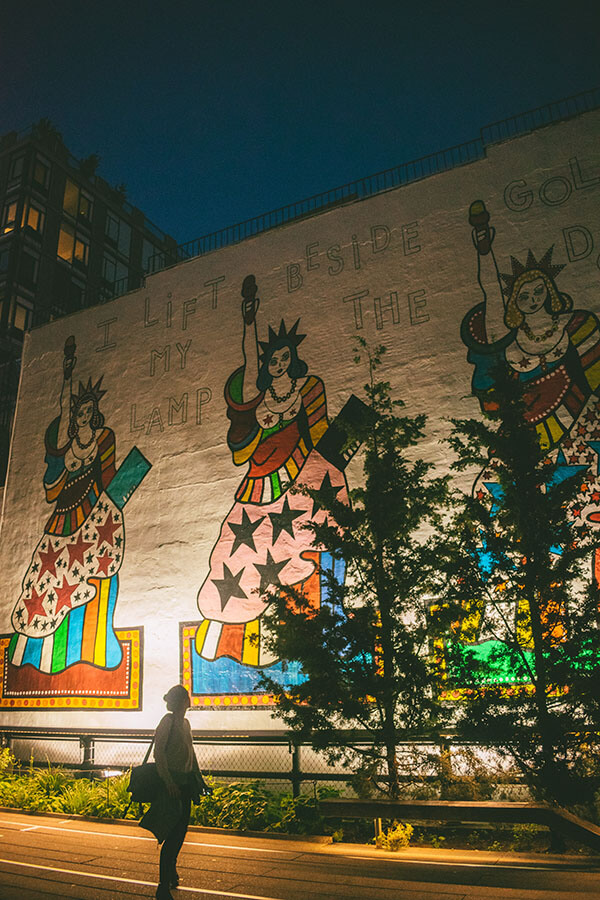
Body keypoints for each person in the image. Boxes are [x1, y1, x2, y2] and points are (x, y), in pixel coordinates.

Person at [459, 201, 600, 646]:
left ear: (551, 292)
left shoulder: (578, 326)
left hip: (578, 428)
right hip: (524, 441)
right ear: (515, 304)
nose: (532, 297)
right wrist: (485, 249)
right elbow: (491, 396)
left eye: (538, 289)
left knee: (582, 514)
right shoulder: (507, 347)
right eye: (522, 294)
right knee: (484, 504)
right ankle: (492, 625)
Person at [194, 275, 349, 673]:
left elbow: (320, 439)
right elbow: (247, 369)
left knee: (286, 558)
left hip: (294, 484)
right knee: (234, 554)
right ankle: (223, 633)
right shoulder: (260, 400)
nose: (276, 363)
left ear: (292, 361)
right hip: (254, 490)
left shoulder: (309, 389)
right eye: (271, 359)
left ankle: (290, 639)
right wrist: (249, 321)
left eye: (282, 358)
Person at [8, 337, 127, 673]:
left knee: (89, 572)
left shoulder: (104, 438)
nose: (84, 414)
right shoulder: (67, 447)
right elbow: (61, 413)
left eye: (88, 410)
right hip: (61, 519)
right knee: (44, 576)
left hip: (91, 516)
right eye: (80, 411)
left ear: (96, 413)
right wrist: (65, 375)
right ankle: (33, 649)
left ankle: (88, 647)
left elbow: (110, 479)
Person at [142, 684, 200, 900]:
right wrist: (168, 782)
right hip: (173, 784)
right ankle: (163, 884)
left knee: (180, 831)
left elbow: (190, 753)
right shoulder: (168, 722)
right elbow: (160, 753)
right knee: (173, 833)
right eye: (186, 697)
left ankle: (171, 872)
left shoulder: (185, 723)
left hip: (184, 782)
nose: (189, 700)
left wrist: (198, 779)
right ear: (181, 701)